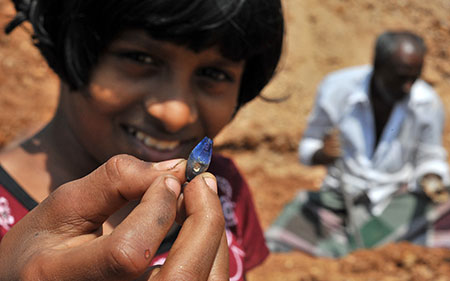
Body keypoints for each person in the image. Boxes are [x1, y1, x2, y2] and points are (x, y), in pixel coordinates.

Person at [0, 0, 285, 280]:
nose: (175, 114)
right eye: (141, 58)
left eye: (214, 74)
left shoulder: (224, 188)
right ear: (70, 44)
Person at [265, 30, 450, 257]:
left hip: (394, 199)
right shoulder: (337, 89)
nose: (408, 87)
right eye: (401, 77)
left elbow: (430, 158)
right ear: (378, 66)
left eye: (415, 77)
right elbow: (308, 147)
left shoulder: (426, 103)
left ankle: (353, 246)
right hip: (342, 197)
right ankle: (373, 245)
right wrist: (323, 154)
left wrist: (430, 177)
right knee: (292, 222)